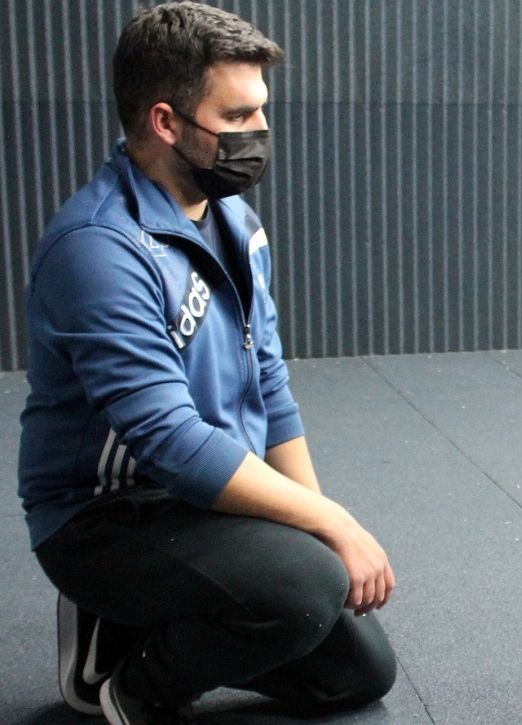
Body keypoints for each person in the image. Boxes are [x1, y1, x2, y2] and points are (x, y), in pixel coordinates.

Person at [18, 3, 396, 722]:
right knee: (303, 588)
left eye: (262, 110)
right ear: (166, 122)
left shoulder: (234, 222)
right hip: (106, 517)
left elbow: (268, 383)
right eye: (238, 115)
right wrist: (335, 524)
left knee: (358, 672)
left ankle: (147, 625)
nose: (260, 131)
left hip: (200, 499)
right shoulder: (98, 248)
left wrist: (317, 526)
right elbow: (170, 440)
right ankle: (135, 689)